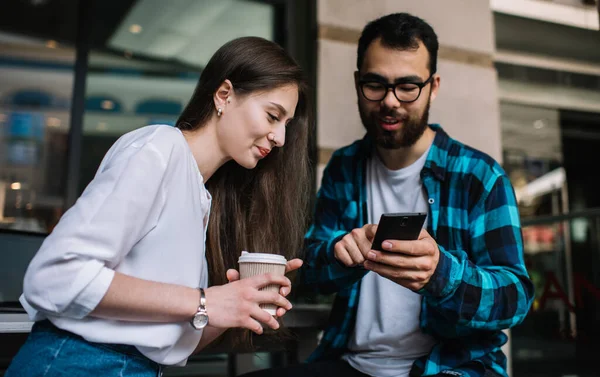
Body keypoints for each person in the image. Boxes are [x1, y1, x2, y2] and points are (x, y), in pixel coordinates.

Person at [242, 13, 534, 377]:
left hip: (454, 367)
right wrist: (338, 253)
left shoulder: (480, 176)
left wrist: (441, 273)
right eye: (376, 85)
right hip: (353, 363)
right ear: (357, 83)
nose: (391, 102)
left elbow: (516, 298)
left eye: (408, 86)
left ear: (434, 86)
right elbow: (309, 273)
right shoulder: (344, 166)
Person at [6, 36, 312, 377]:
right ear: (224, 95)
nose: (280, 138)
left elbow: (170, 343)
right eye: (273, 116)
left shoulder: (201, 194)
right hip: (77, 364)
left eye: (286, 125)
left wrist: (236, 303)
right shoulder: (160, 148)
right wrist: (205, 301)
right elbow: (56, 276)